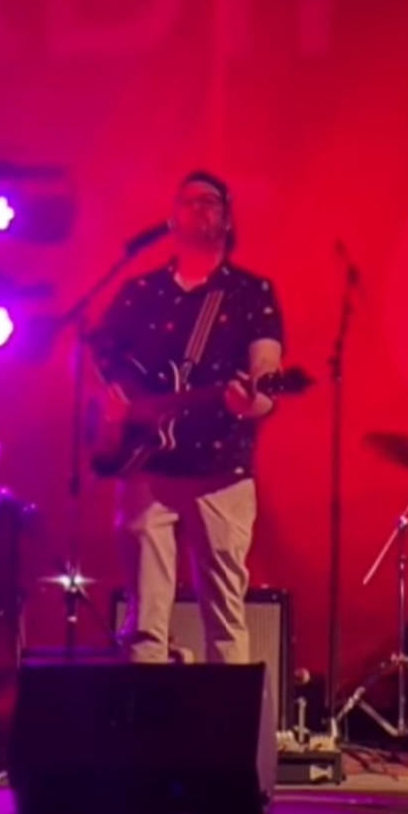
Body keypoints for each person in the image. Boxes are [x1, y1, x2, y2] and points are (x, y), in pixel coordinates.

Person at [90, 171, 284, 667]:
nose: (199, 208)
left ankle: (229, 717)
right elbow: (100, 352)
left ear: (228, 219)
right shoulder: (140, 291)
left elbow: (266, 374)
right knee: (144, 624)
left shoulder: (250, 292)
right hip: (146, 465)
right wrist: (113, 400)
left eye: (211, 201)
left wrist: (252, 399)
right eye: (189, 201)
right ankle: (144, 716)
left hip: (221, 468)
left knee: (225, 618)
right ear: (172, 216)